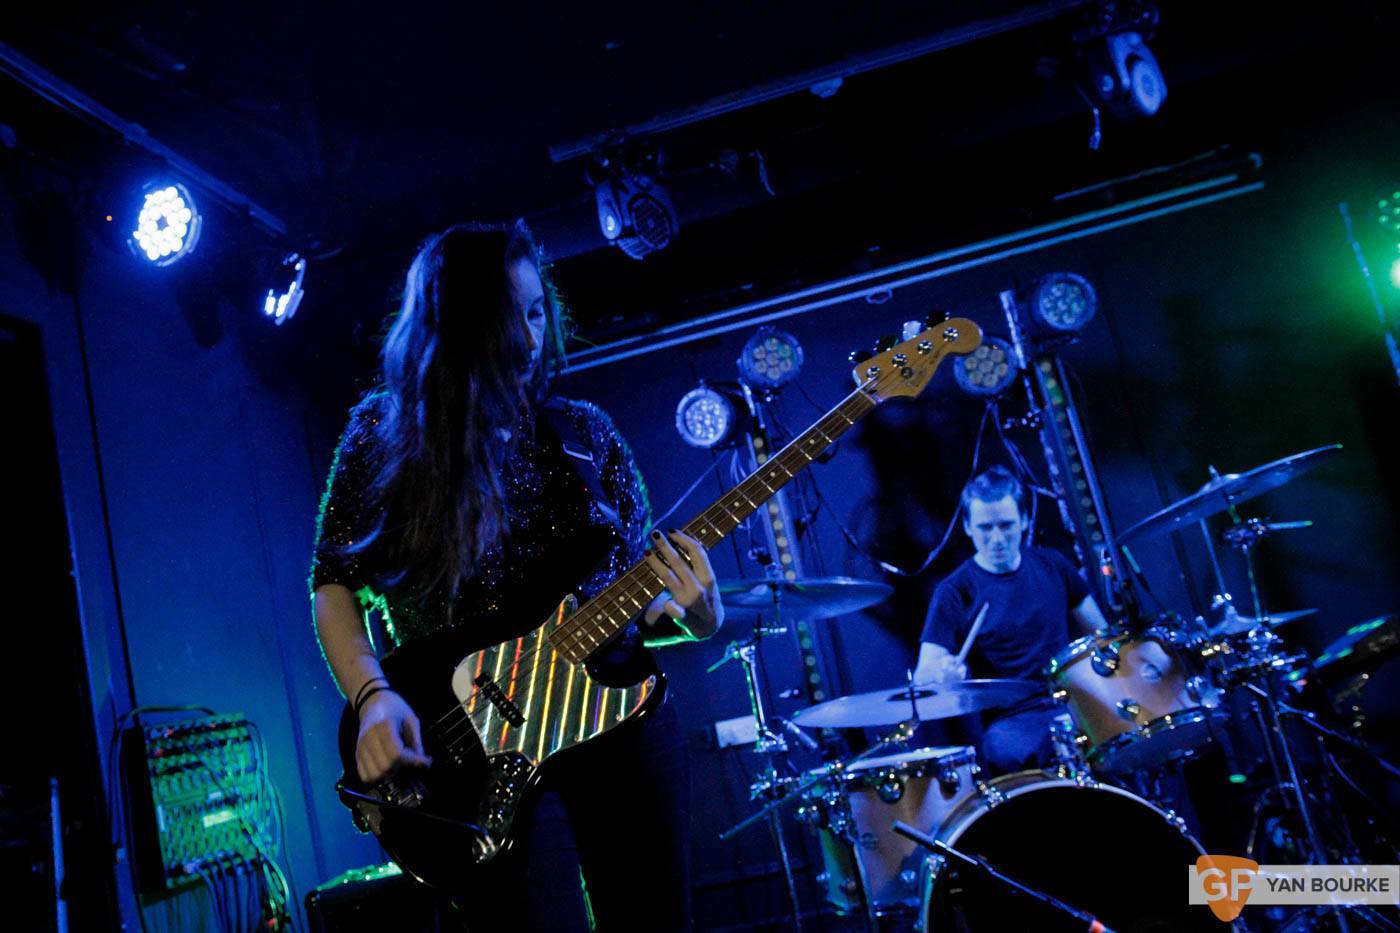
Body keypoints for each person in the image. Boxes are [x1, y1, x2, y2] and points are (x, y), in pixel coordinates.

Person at [311, 221, 723, 931]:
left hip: (622, 728)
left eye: (537, 312)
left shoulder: (586, 433)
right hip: (480, 747)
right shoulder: (385, 435)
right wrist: (374, 694)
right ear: (455, 324)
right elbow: (334, 582)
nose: (531, 338)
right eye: (509, 317)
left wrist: (700, 611)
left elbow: (638, 600)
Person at [914, 466, 1106, 774]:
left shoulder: (1052, 565)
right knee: (1014, 747)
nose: (997, 539)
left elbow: (1103, 636)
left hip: (1072, 702)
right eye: (985, 528)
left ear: (1025, 520)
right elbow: (924, 677)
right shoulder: (955, 591)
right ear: (967, 526)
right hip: (1012, 721)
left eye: (1006, 526)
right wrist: (945, 676)